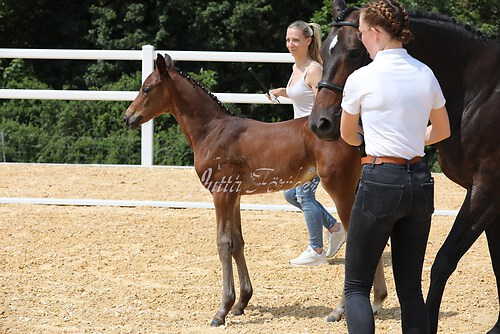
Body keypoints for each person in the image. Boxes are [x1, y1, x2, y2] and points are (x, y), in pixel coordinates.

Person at [339, 0, 451, 332]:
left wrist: (371, 136)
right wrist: (414, 139)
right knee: (411, 289)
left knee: (357, 286)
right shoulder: (425, 73)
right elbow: (443, 131)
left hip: (380, 181)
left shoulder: (362, 77)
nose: (360, 40)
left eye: (361, 34)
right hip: (419, 180)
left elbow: (347, 135)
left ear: (375, 32)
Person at [268, 20, 345, 267]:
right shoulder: (297, 67)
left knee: (303, 194)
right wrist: (280, 91)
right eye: (288, 40)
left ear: (309, 41)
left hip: (314, 141)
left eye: (296, 40)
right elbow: (298, 94)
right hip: (299, 141)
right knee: (290, 193)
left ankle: (317, 250)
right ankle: (335, 227)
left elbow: (322, 105)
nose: (291, 44)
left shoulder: (314, 70)